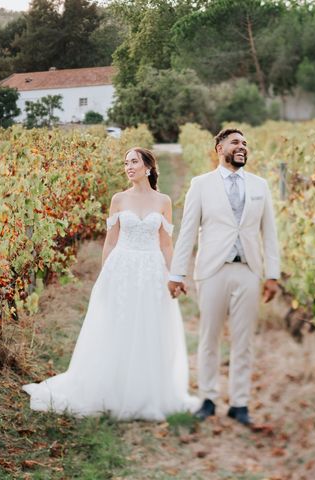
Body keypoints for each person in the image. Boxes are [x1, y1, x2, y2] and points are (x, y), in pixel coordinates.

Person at [23, 147, 199, 420]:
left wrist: (175, 275)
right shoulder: (118, 199)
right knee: (118, 323)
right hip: (122, 267)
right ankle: (110, 388)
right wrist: (105, 275)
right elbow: (110, 241)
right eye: (126, 163)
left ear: (148, 167)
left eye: (134, 162)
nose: (128, 167)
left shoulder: (163, 201)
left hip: (152, 269)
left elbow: (166, 244)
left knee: (149, 326)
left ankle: (145, 391)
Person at [168, 128, 280, 426]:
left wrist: (272, 274)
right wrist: (177, 272)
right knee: (210, 337)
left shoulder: (260, 186)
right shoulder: (201, 185)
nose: (242, 147)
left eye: (245, 143)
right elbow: (188, 230)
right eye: (235, 142)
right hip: (213, 270)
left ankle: (240, 404)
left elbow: (269, 233)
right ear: (219, 148)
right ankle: (208, 398)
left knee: (244, 341)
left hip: (248, 270)